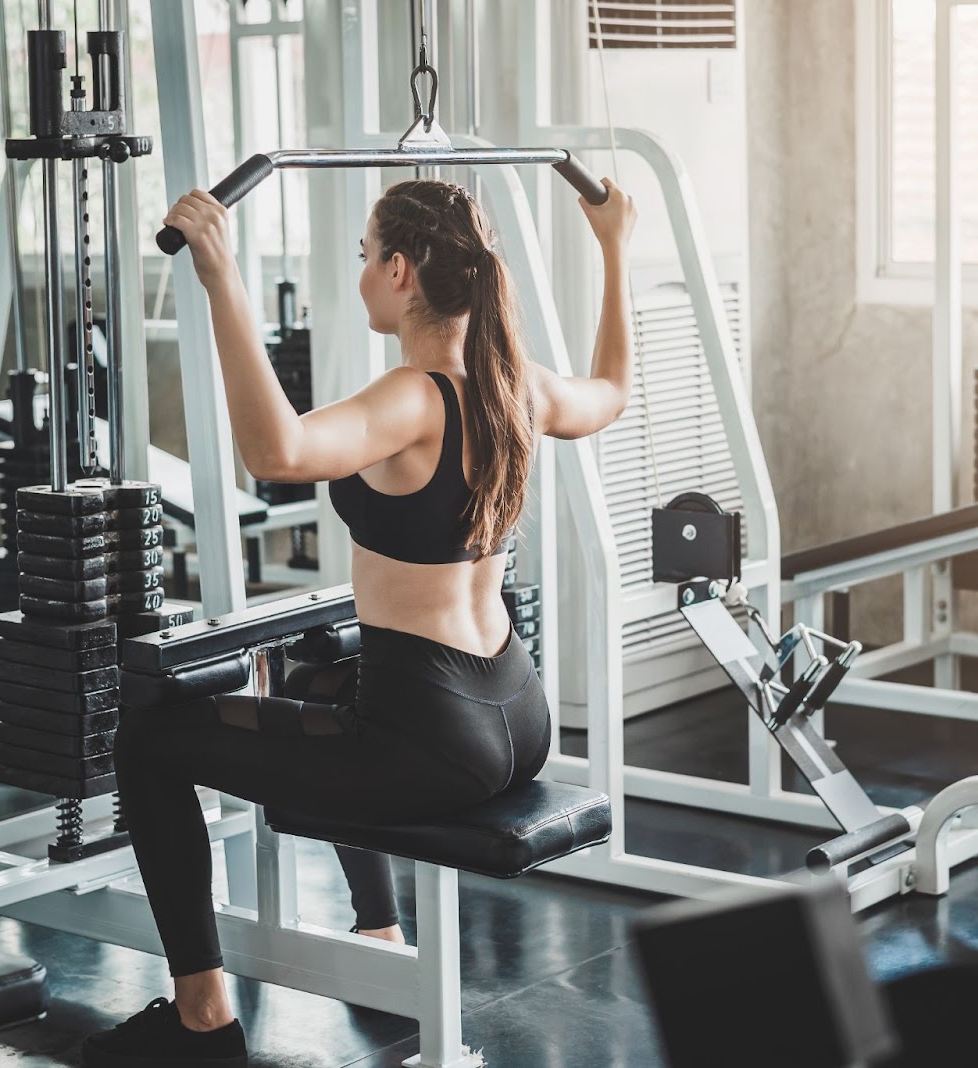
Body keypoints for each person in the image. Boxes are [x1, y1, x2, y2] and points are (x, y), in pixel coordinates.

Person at [82, 176, 637, 1067]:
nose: (360, 275)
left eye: (363, 258)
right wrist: (614, 247)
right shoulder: (516, 385)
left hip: (428, 743)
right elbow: (611, 388)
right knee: (312, 682)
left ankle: (201, 1018)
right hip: (515, 716)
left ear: (402, 270)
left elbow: (278, 454)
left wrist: (222, 278)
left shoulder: (413, 398)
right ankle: (376, 935)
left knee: (147, 742)